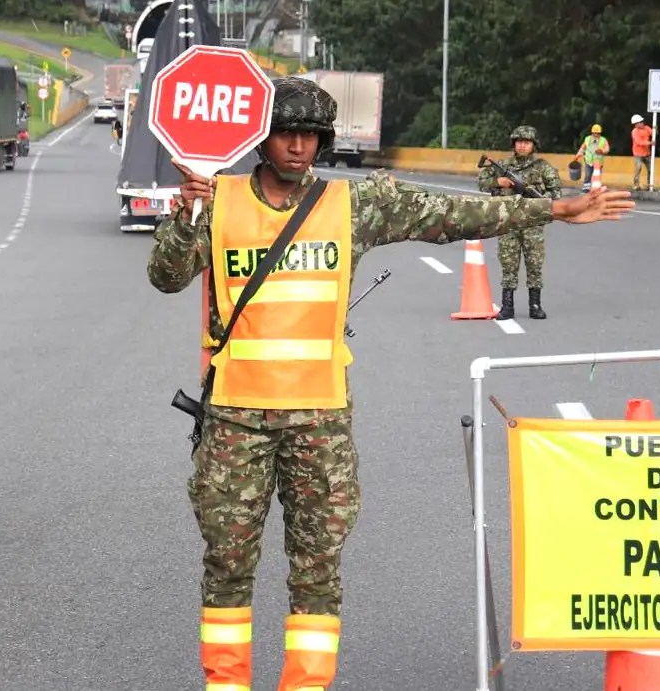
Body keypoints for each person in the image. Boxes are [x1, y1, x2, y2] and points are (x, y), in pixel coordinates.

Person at [145, 77, 634, 691]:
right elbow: (166, 276)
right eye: (287, 132)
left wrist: (554, 209)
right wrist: (188, 209)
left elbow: (451, 214)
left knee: (318, 570)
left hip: (318, 424)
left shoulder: (350, 205)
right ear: (262, 138)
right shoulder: (217, 199)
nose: (298, 146)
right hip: (234, 423)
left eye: (311, 135)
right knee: (227, 566)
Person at [476, 125, 562, 320]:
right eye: (519, 142)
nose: (522, 146)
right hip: (509, 221)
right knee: (508, 263)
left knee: (534, 263)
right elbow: (481, 182)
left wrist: (536, 196)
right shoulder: (502, 166)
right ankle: (507, 306)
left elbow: (556, 192)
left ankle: (535, 305)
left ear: (533, 145)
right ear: (514, 144)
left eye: (527, 142)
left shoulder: (543, 167)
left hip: (533, 222)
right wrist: (499, 183)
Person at [575, 123, 610, 191]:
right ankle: (586, 187)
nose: (596, 135)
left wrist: (602, 151)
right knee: (588, 175)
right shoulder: (587, 139)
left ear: (600, 133)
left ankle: (596, 187)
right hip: (588, 161)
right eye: (595, 133)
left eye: (598, 133)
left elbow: (607, 149)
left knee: (597, 175)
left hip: (598, 162)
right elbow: (583, 148)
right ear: (592, 133)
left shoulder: (603, 140)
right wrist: (578, 155)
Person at [630, 115, 653, 190]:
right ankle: (636, 184)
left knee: (650, 169)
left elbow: (653, 133)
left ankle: (649, 184)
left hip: (647, 153)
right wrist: (650, 143)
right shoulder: (634, 132)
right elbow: (639, 142)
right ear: (636, 124)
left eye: (642, 122)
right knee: (638, 167)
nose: (641, 123)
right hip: (638, 154)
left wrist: (655, 130)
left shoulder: (647, 128)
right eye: (639, 122)